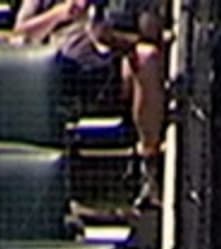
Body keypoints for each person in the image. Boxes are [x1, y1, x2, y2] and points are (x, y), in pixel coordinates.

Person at [10, 0, 169, 209]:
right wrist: (60, 14)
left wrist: (114, 36)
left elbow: (151, 35)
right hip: (65, 71)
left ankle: (149, 165)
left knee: (147, 58)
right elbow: (19, 37)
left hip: (114, 66)